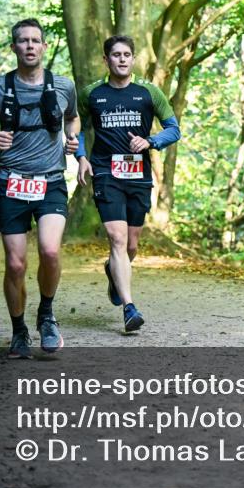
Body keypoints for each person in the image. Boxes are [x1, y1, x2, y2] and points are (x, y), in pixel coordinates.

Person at [0, 18, 80, 359]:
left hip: (51, 181)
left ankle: (46, 314)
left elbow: (73, 117)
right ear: (14, 47)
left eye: (35, 40)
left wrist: (72, 137)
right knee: (16, 265)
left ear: (44, 46)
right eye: (23, 40)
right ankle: (19, 331)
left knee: (50, 251)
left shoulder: (63, 86)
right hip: (11, 183)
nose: (30, 45)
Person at [76, 35, 180, 332]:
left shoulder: (148, 92)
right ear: (105, 59)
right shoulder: (91, 94)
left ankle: (113, 271)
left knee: (131, 245)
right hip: (105, 172)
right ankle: (129, 308)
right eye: (116, 55)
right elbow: (76, 127)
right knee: (118, 239)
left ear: (133, 59)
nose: (121, 59)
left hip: (138, 174)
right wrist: (81, 156)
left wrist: (151, 141)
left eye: (126, 55)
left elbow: (173, 129)